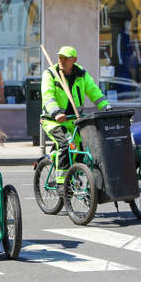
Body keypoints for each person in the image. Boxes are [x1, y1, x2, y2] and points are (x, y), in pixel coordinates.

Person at [41, 46, 112, 186]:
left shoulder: (82, 75)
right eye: (60, 57)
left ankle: (77, 175)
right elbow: (47, 96)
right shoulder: (50, 74)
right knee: (65, 143)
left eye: (65, 58)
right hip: (52, 121)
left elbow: (94, 92)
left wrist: (106, 106)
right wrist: (56, 113)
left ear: (74, 60)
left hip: (74, 119)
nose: (61, 60)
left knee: (82, 146)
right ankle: (62, 183)